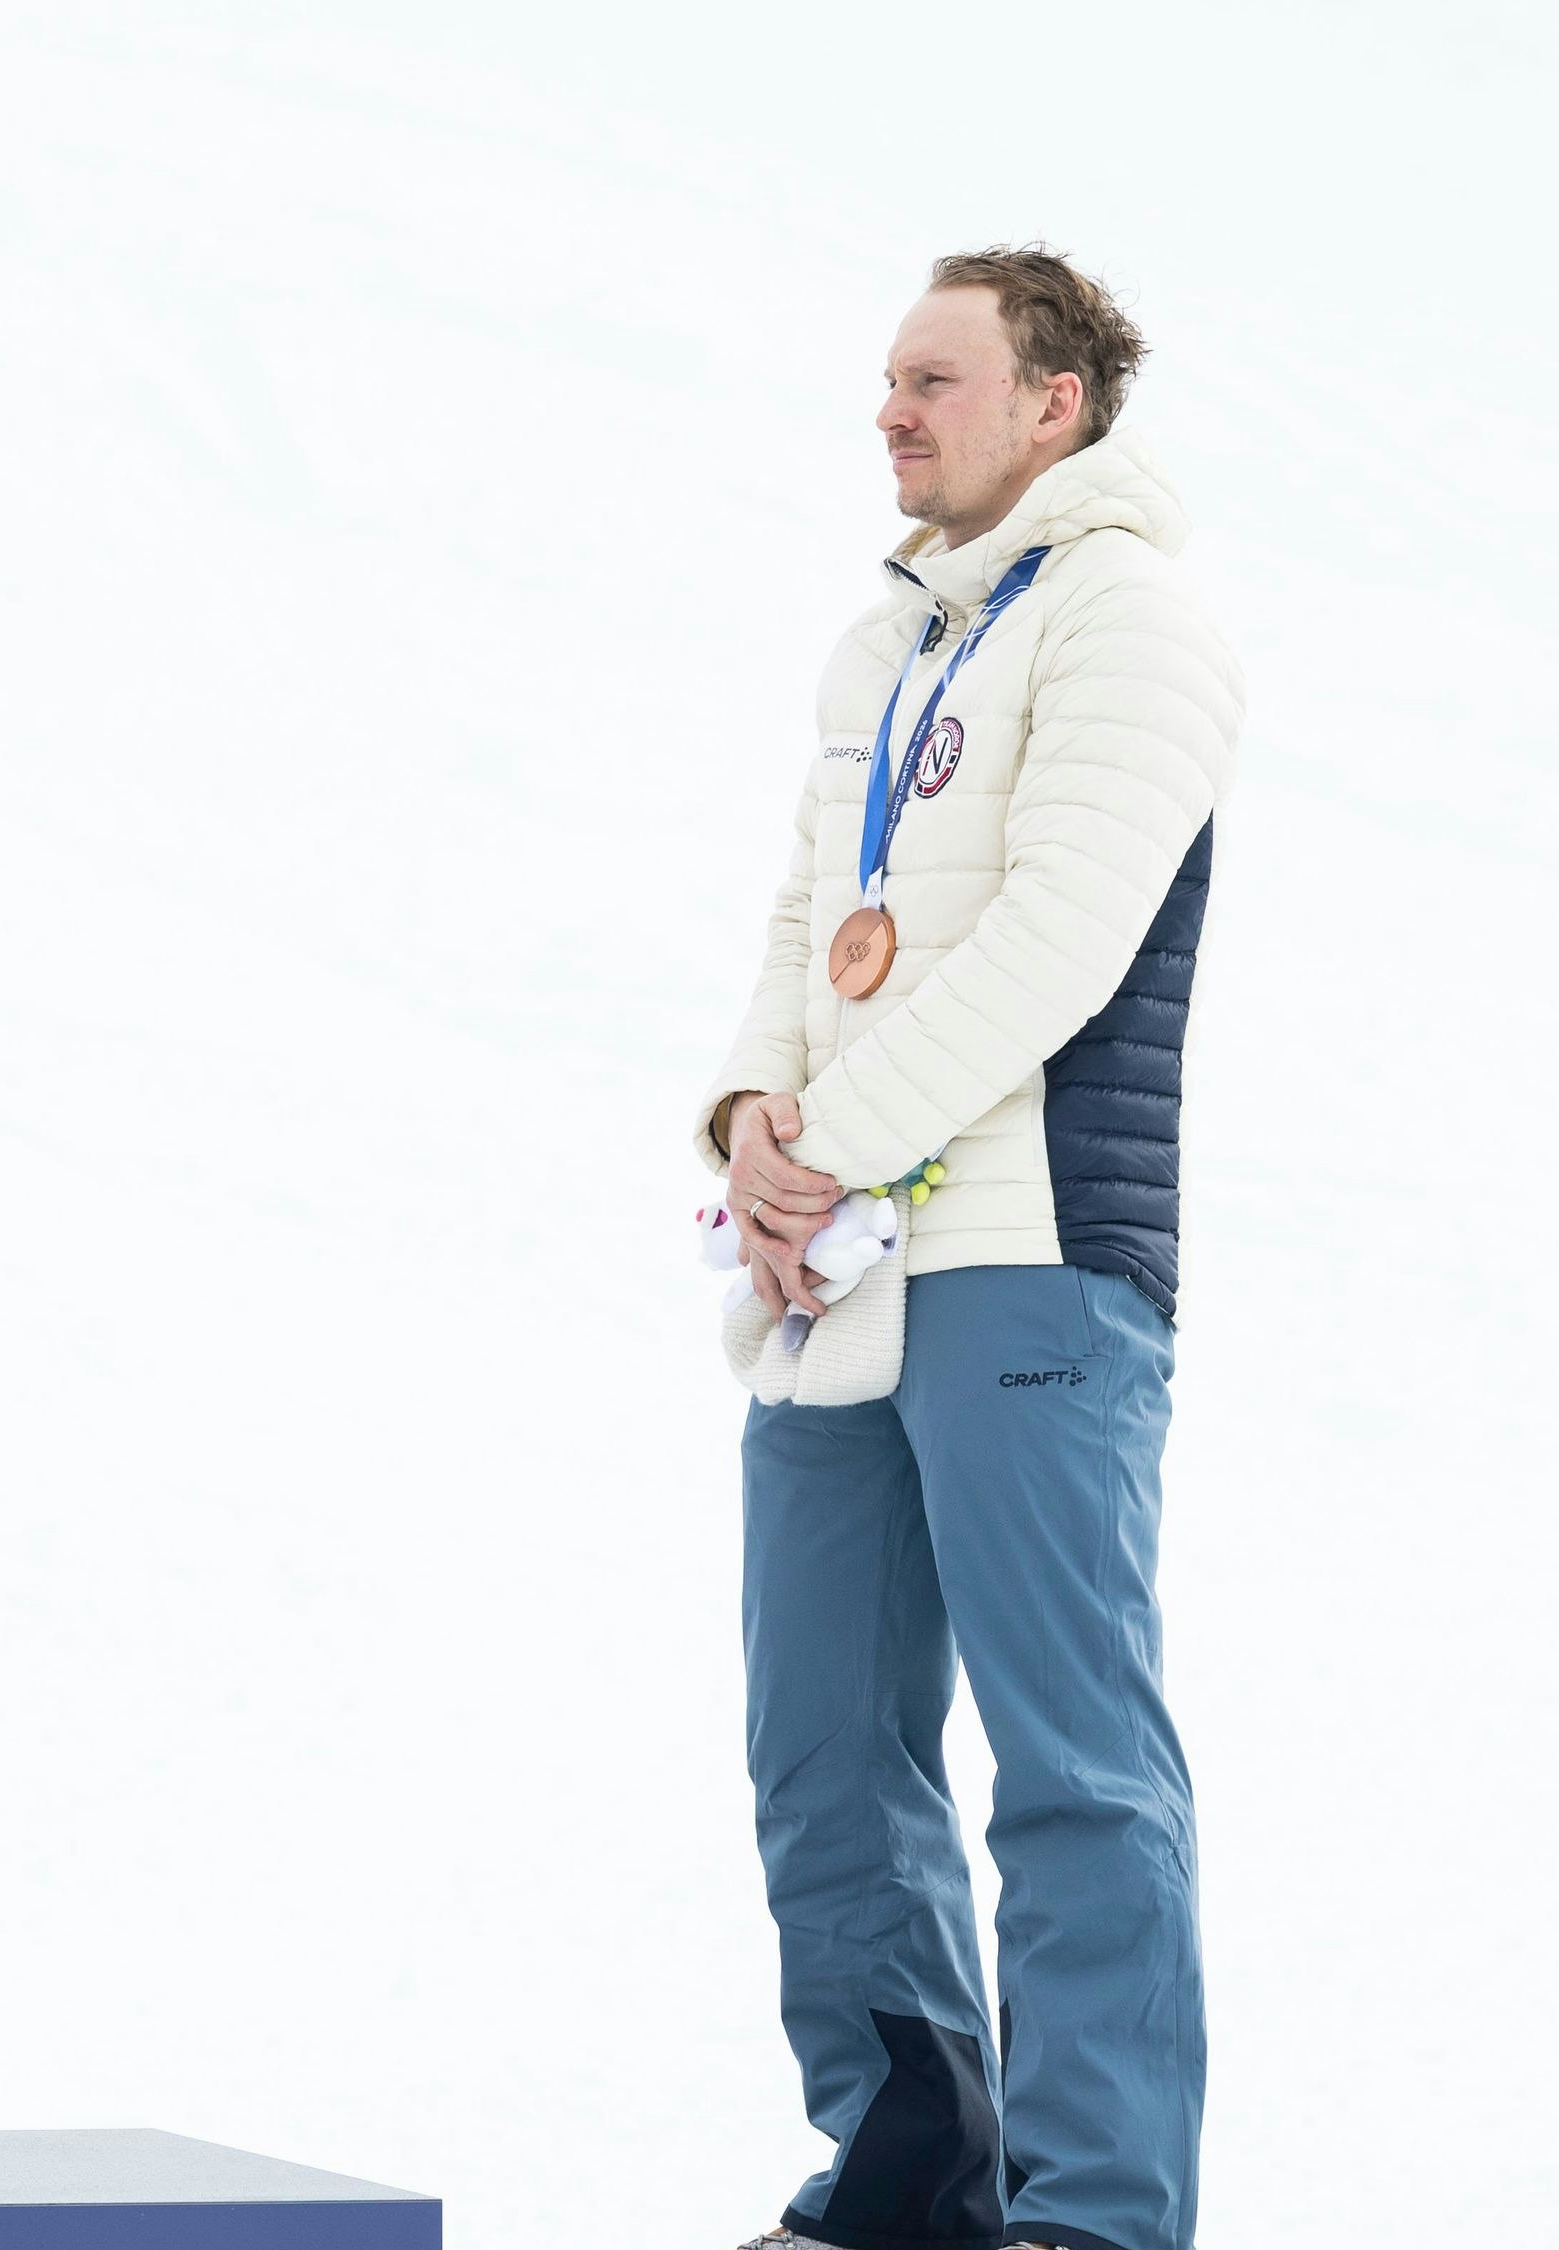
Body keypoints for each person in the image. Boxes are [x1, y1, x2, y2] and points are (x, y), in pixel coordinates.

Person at [701, 249, 1241, 2250]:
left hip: (1024, 1263)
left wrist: (824, 1149)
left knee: (1069, 1769)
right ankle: (906, 2166)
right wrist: (751, 1127)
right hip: (835, 1262)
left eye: (933, 378)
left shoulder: (1132, 617)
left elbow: (1055, 935)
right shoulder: (885, 644)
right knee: (821, 1754)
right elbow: (800, 923)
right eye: (883, 378)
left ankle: (1092, 2213)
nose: (889, 410)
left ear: (1052, 407)